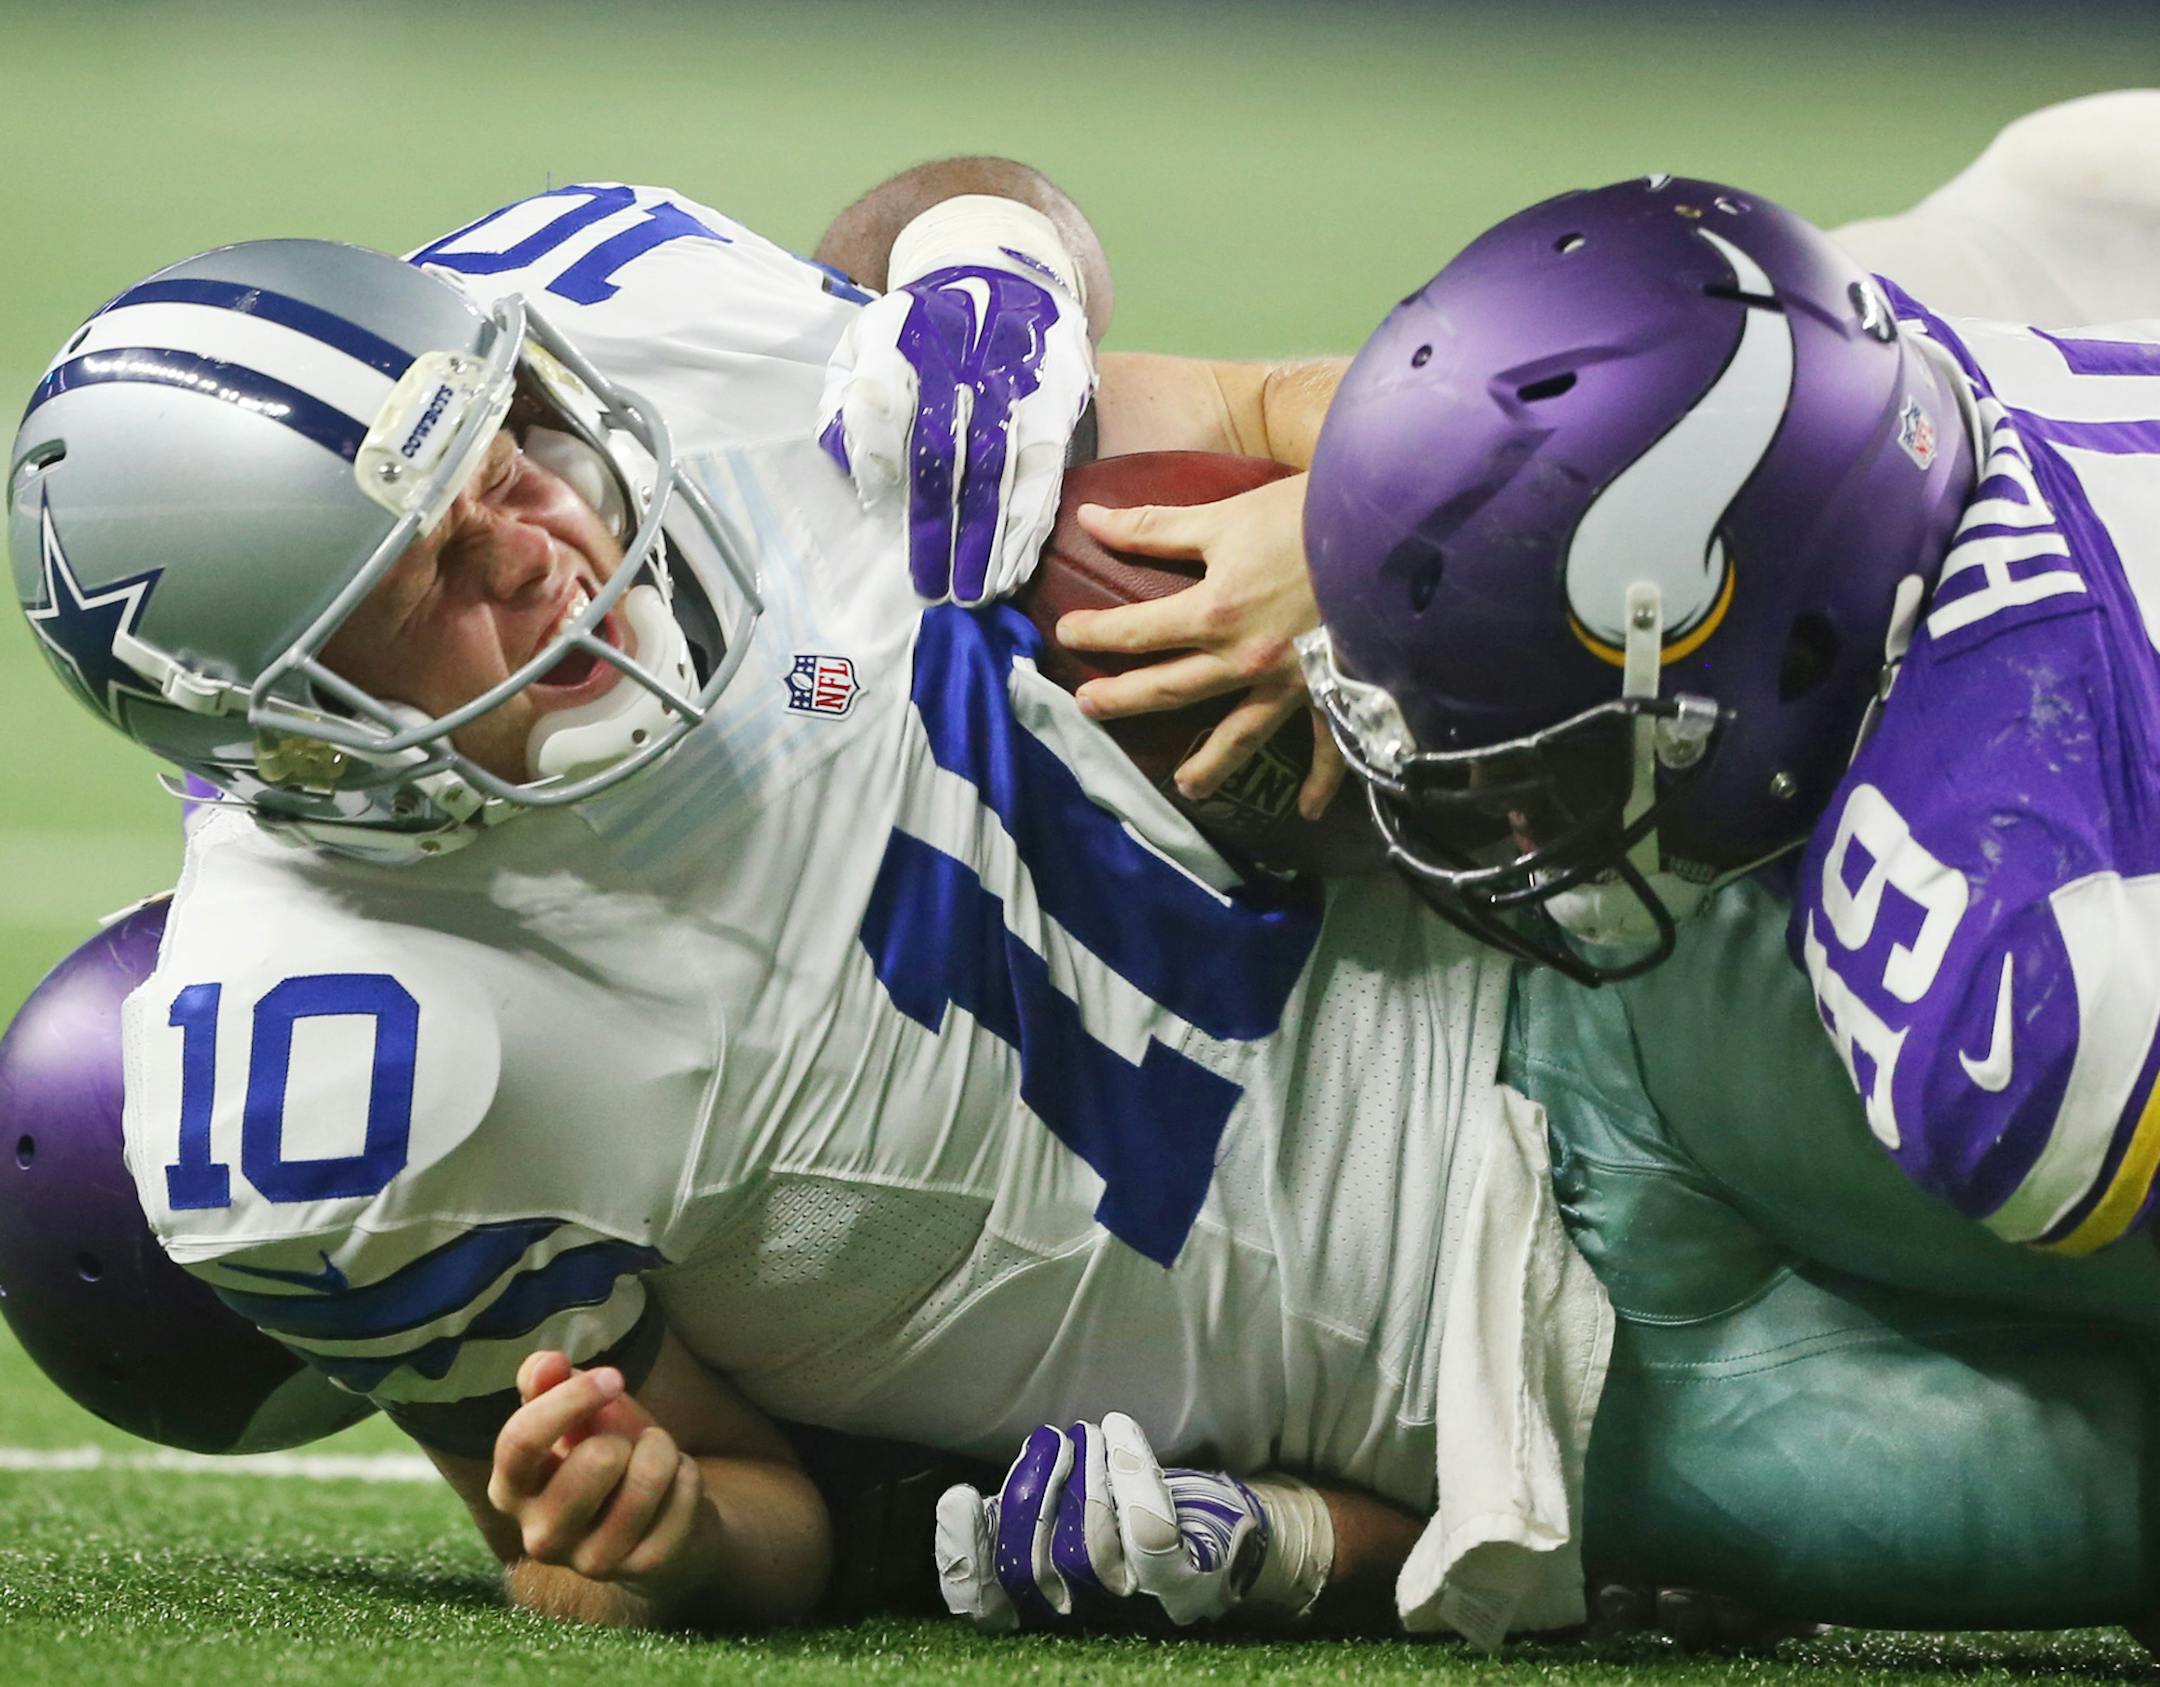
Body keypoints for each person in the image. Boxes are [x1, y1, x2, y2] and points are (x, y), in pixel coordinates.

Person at [9, 147, 2160, 1649]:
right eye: (436, 594)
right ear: (283, 732)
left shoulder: (643, 326)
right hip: (1532, 1388)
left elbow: (1246, 399)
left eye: (511, 467)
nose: (544, 555)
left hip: (1578, 944)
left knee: (2058, 1106)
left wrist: (1073, 320)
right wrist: (647, 1541)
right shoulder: (315, 1093)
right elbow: (759, 1522)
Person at [1286, 104, 2160, 1256]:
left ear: (1794, 649)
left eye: (1552, 764)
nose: (1510, 823)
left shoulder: (1999, 973)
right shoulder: (1869, 371)